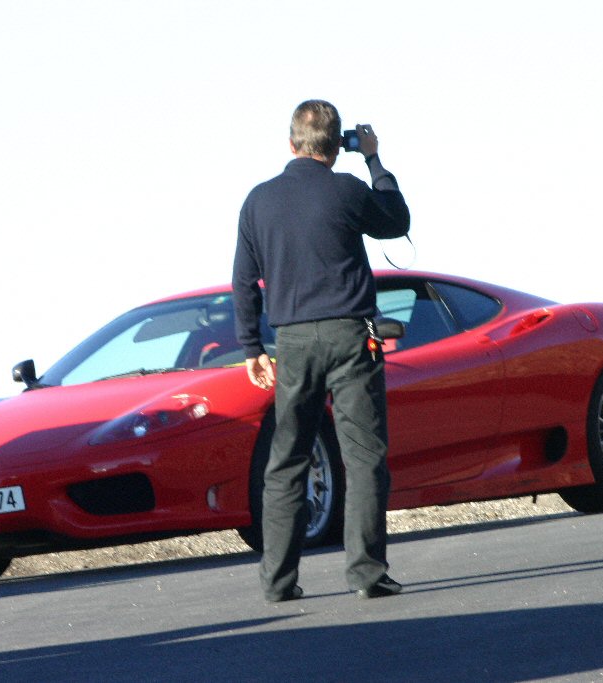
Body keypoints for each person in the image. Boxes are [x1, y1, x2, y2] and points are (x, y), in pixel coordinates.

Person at [232, 99, 411, 602]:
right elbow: (396, 220)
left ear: (290, 143)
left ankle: (277, 581)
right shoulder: (347, 189)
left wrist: (251, 346)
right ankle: (367, 574)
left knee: (287, 458)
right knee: (364, 457)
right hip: (351, 335)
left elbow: (244, 281)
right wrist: (373, 158)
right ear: (336, 146)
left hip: (291, 340)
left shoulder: (258, 201)